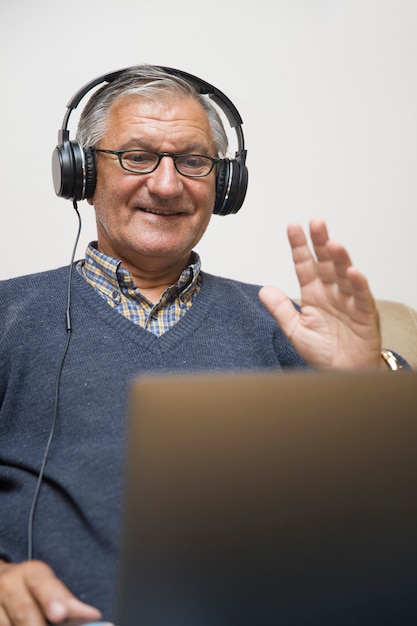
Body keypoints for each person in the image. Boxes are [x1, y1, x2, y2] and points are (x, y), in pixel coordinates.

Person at [0, 64, 405, 626]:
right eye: (137, 156)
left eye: (193, 161)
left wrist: (367, 378)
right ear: (82, 173)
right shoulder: (8, 314)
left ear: (224, 185)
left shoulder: (292, 326)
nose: (167, 185)